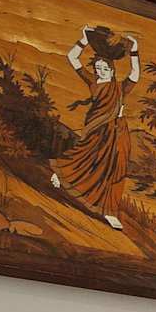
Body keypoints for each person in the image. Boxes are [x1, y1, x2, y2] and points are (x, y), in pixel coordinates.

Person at [49, 24, 139, 229]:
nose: (100, 72)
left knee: (117, 169)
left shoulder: (120, 87)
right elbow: (72, 58)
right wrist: (83, 39)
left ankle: (110, 211)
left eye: (104, 69)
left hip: (119, 133)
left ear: (112, 69)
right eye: (97, 69)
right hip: (97, 129)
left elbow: (135, 73)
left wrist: (134, 50)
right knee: (85, 158)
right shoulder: (93, 83)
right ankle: (61, 175)